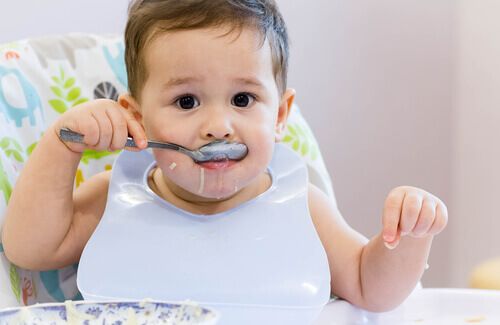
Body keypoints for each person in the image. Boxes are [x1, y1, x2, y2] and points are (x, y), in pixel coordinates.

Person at [2, 0, 447, 313]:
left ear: (280, 115)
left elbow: (373, 289)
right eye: (187, 102)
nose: (218, 125)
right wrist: (64, 146)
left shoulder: (301, 206)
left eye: (242, 98)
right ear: (138, 118)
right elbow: (29, 248)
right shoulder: (115, 198)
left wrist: (409, 235)